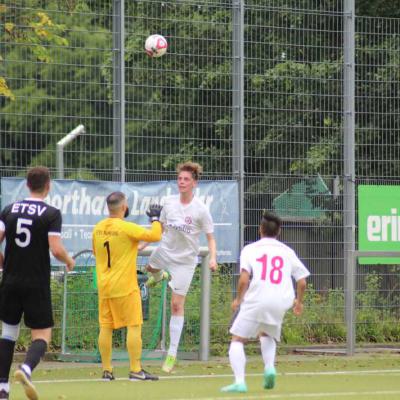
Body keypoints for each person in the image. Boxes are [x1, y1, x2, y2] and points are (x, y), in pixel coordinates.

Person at [0, 166, 75, 400]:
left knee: (8, 332)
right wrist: (68, 260)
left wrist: (3, 264)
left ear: (27, 184)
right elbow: (55, 247)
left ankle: (2, 388)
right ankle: (26, 368)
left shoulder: (9, 209)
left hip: (10, 280)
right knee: (42, 335)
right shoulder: (51, 213)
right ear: (48, 185)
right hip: (36, 282)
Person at [221, 211, 309, 393]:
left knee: (237, 339)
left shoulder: (250, 249)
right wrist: (299, 302)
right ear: (279, 231)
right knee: (266, 334)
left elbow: (244, 279)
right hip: (280, 301)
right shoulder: (287, 251)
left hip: (257, 298)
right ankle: (269, 367)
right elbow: (302, 282)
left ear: (260, 229)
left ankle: (239, 382)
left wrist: (238, 299)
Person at [144, 161, 217, 373]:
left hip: (185, 261)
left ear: (194, 183)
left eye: (186, 179)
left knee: (176, 305)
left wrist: (212, 258)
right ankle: (160, 276)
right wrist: (143, 243)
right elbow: (160, 229)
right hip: (165, 251)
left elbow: (211, 238)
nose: (182, 182)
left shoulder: (201, 209)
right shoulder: (168, 202)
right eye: (179, 179)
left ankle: (171, 355)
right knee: (150, 270)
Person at [92, 192, 163, 381]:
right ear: (124, 207)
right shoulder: (126, 227)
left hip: (105, 286)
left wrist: (131, 248)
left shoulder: (98, 228)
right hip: (125, 286)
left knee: (105, 327)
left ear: (109, 207)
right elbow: (155, 235)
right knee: (134, 325)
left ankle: (107, 371)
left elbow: (98, 252)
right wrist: (155, 219)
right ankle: (135, 369)